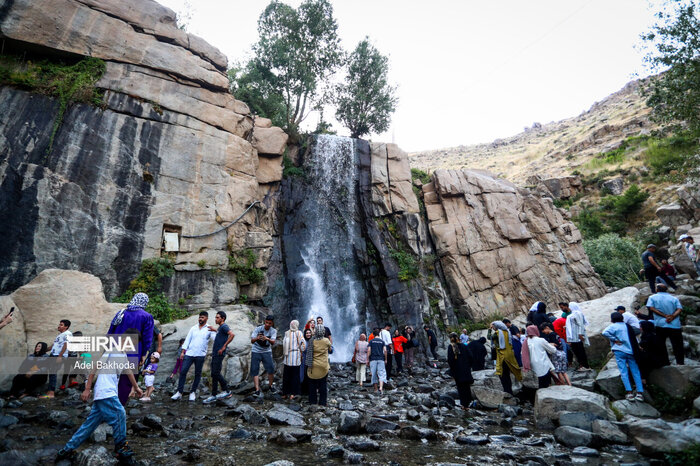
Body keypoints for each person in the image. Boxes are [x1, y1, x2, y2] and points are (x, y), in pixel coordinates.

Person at [55, 350, 142, 464]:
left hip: (105, 393)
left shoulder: (123, 355)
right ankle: (121, 447)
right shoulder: (112, 351)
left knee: (89, 425)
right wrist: (87, 388)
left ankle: (66, 450)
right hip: (105, 391)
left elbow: (128, 371)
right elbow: (95, 368)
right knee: (120, 413)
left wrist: (136, 387)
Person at [108, 293, 154, 406]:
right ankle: (119, 406)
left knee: (111, 378)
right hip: (134, 352)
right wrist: (144, 354)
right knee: (126, 381)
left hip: (114, 350)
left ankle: (106, 404)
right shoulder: (146, 316)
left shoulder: (121, 313)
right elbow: (147, 337)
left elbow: (110, 331)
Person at [172, 311, 214, 401]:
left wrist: (216, 331)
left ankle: (193, 392)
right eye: (199, 317)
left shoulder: (209, 329)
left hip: (200, 355)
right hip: (189, 353)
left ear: (206, 318)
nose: (200, 319)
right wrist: (183, 352)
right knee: (183, 371)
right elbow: (187, 340)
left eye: (202, 317)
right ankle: (179, 392)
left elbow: (215, 338)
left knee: (197, 374)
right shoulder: (193, 328)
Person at [602, 312, 644, 401]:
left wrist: (614, 339)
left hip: (620, 351)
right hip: (631, 351)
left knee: (623, 371)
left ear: (612, 319)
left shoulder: (613, 326)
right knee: (635, 371)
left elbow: (604, 332)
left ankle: (629, 393)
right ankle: (640, 393)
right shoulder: (628, 326)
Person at [646, 283, 684, 365]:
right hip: (675, 324)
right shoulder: (673, 298)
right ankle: (680, 362)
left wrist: (664, 315)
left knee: (661, 345)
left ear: (657, 289)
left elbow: (651, 308)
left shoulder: (652, 297)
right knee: (678, 345)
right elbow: (679, 309)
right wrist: (672, 316)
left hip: (660, 324)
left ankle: (665, 362)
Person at [203, 311, 235, 404]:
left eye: (217, 317)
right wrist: (215, 330)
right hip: (216, 353)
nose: (215, 319)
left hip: (219, 353)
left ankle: (227, 390)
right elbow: (222, 334)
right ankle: (214, 395)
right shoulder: (221, 327)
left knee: (215, 373)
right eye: (215, 317)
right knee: (214, 374)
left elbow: (232, 334)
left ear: (223, 318)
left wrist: (224, 346)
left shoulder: (224, 326)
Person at [248, 315, 277, 397]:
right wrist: (257, 338)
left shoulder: (273, 331)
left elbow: (273, 342)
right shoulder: (258, 329)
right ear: (265, 321)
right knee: (254, 370)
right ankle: (257, 389)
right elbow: (252, 341)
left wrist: (267, 338)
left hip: (266, 351)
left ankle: (271, 386)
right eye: (266, 322)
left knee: (270, 369)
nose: (267, 324)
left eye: (269, 323)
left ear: (272, 323)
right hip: (256, 351)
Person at [490, 321, 522, 394]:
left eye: (493, 326)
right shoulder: (508, 332)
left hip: (502, 356)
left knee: (502, 374)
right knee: (508, 373)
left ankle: (507, 391)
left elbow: (489, 337)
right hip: (509, 355)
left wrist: (489, 330)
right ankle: (510, 390)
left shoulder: (497, 334)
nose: (493, 328)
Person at [45, 319, 72, 399]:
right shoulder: (60, 335)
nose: (59, 326)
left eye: (61, 325)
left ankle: (51, 393)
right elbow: (54, 345)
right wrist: (44, 349)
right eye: (59, 324)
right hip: (53, 355)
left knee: (53, 372)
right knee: (51, 372)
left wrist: (60, 356)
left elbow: (66, 344)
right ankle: (49, 391)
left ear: (66, 327)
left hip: (58, 356)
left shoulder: (68, 333)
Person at [447, 332, 474, 410]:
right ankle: (468, 403)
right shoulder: (463, 346)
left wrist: (452, 369)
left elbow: (450, 360)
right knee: (467, 386)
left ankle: (464, 404)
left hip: (457, 369)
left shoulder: (451, 347)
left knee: (461, 387)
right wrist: (469, 365)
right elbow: (471, 356)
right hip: (466, 368)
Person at [306, 325, 332, 406]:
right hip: (323, 366)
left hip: (313, 366)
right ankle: (323, 402)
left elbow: (308, 352)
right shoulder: (326, 340)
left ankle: (312, 401)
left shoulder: (311, 341)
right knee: (323, 384)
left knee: (312, 384)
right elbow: (331, 350)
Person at [281, 319, 305, 400]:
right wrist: (302, 349)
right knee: (291, 376)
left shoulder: (292, 332)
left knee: (290, 376)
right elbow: (302, 344)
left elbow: (302, 343)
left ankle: (289, 393)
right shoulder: (294, 332)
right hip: (291, 356)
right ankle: (289, 393)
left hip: (291, 356)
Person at [565, 302, 591, 371]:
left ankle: (585, 365)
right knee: (576, 351)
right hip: (574, 337)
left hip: (577, 336)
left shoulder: (577, 314)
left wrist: (580, 334)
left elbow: (580, 324)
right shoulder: (572, 314)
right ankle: (581, 364)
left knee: (580, 351)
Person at [368, 329, 387, 394]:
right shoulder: (382, 341)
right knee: (381, 373)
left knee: (374, 373)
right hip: (381, 359)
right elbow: (385, 351)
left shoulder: (371, 341)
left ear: (373, 335)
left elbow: (369, 351)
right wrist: (386, 359)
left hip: (373, 359)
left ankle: (375, 389)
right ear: (379, 334)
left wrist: (368, 359)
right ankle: (381, 387)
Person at [300, 328, 313, 396]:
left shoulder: (313, 341)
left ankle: (309, 391)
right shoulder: (303, 341)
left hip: (311, 361)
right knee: (303, 375)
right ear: (305, 334)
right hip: (303, 361)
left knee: (310, 375)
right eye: (307, 333)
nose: (308, 334)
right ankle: (302, 390)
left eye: (309, 333)